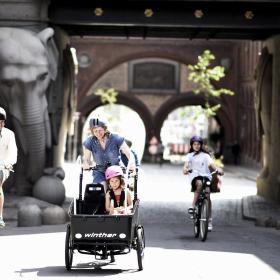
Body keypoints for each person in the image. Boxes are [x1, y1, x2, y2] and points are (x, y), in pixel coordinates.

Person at [183, 135, 223, 231]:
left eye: (198, 144)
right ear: (192, 145)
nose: (196, 146)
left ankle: (209, 220)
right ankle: (193, 206)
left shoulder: (206, 156)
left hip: (206, 176)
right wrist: (185, 169)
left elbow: (212, 165)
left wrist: (218, 170)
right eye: (194, 144)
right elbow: (186, 165)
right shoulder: (189, 156)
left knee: (208, 195)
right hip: (195, 176)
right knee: (199, 184)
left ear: (201, 145)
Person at [82, 117, 131, 191]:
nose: (98, 133)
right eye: (95, 131)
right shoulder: (90, 141)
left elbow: (129, 154)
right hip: (100, 171)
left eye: (100, 130)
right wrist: (86, 164)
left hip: (116, 170)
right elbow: (86, 159)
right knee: (101, 189)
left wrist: (132, 165)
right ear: (92, 131)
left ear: (105, 129)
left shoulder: (116, 138)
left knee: (118, 191)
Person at [0, 107, 17, 228]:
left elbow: (13, 154)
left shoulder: (9, 134)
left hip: (3, 167)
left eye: (1, 122)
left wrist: (8, 163)